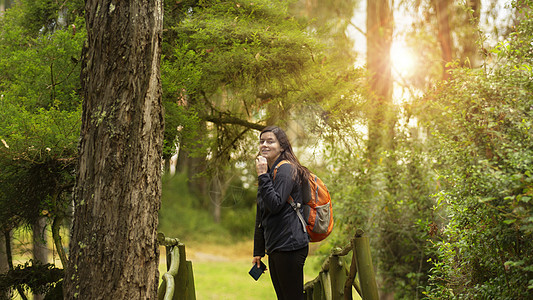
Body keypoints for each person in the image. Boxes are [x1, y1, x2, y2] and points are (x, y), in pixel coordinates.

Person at [252, 125, 311, 300]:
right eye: (262, 141)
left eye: (270, 141)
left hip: (290, 245)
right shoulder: (269, 172)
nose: (264, 145)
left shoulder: (286, 169)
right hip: (277, 246)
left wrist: (263, 176)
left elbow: (276, 204)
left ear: (282, 146)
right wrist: (258, 251)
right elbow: (261, 215)